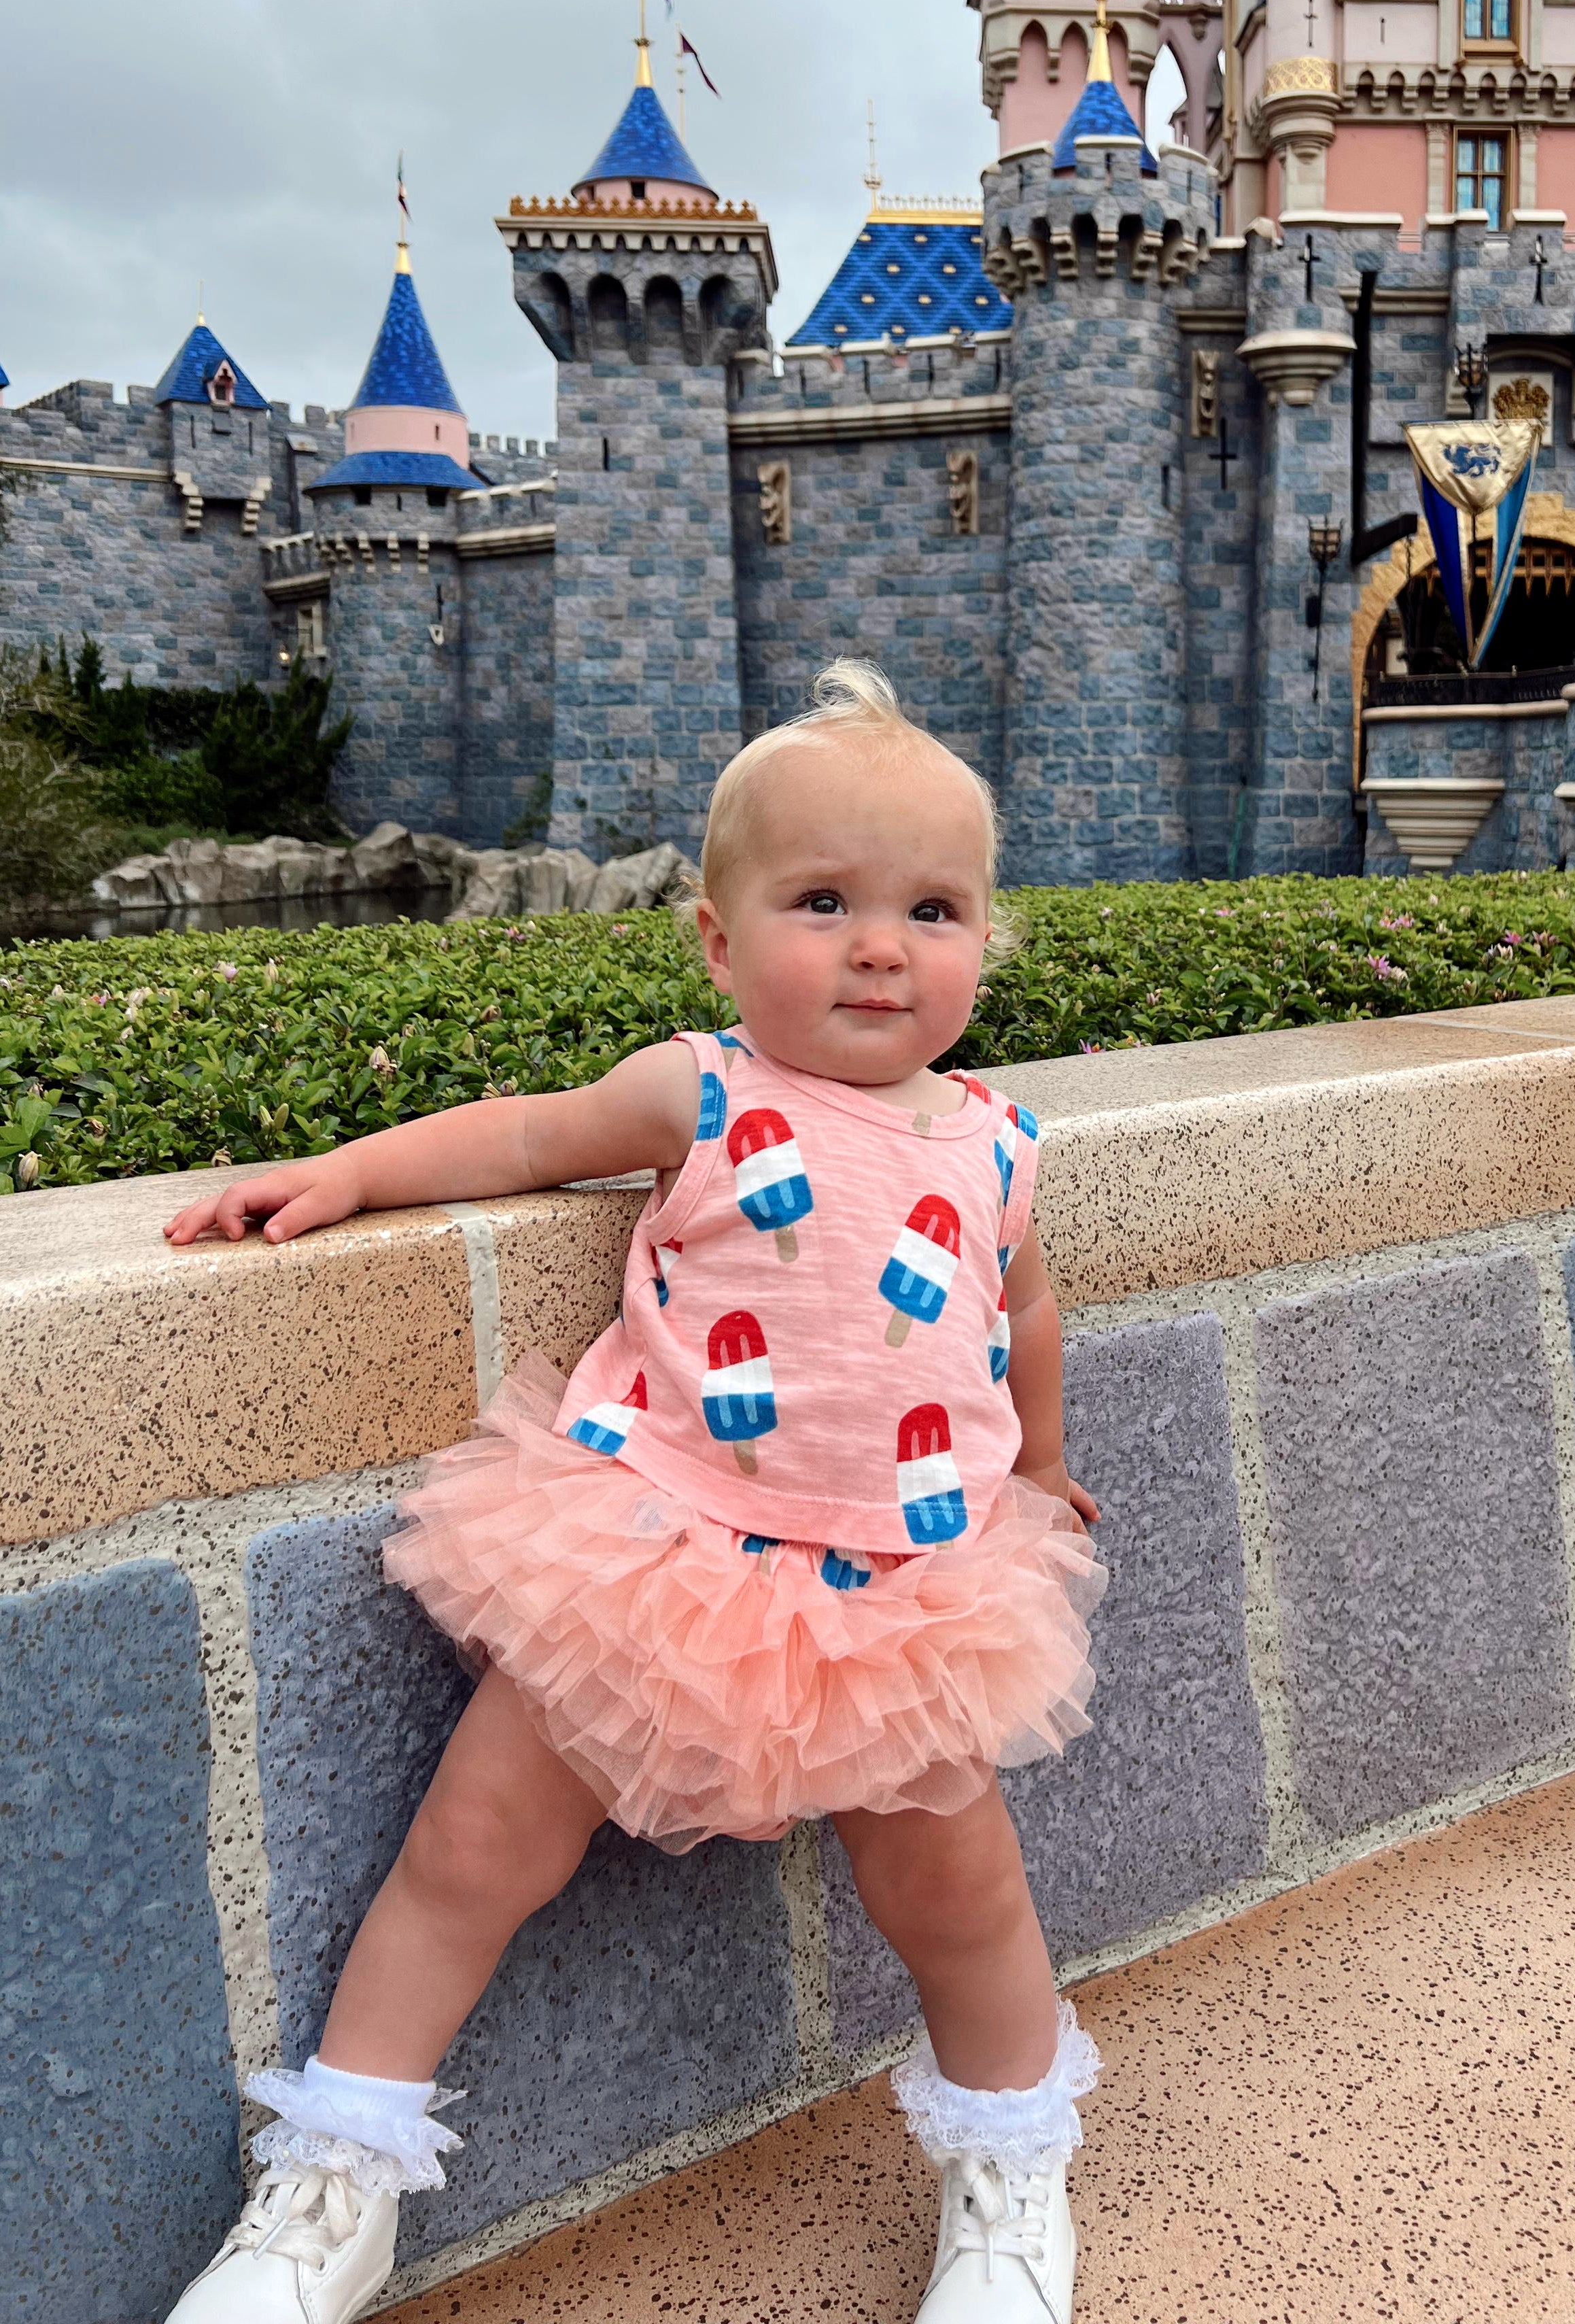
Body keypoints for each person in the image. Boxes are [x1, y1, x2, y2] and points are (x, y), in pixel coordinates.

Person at [163, 660, 1107, 2324]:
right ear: (721, 943)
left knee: (959, 1897)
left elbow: (1020, 1305)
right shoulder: (707, 1092)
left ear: (986, 938)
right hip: (656, 1550)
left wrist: (1038, 1461)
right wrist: (351, 1170)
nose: (882, 944)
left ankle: (1013, 2178)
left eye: (934, 908)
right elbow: (526, 1141)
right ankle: (334, 2187)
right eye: (823, 902)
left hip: (914, 1583)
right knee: (471, 1847)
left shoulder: (1001, 1139)